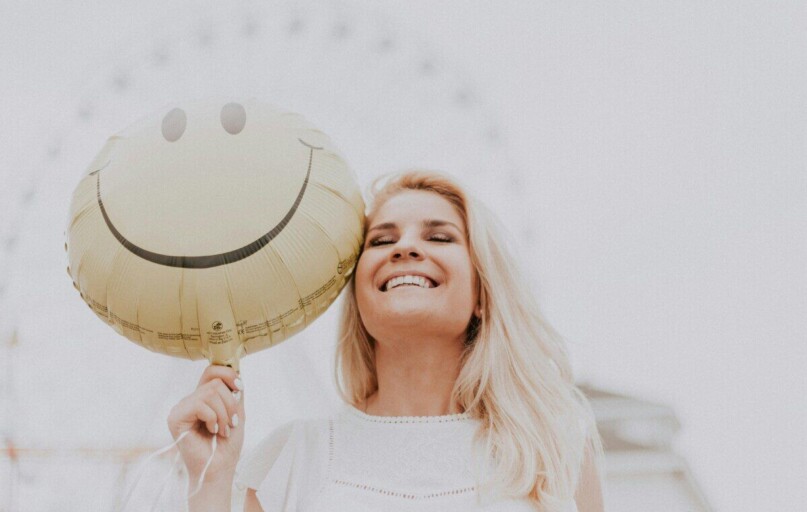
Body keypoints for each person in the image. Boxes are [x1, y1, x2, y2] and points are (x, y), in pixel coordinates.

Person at [167, 170, 605, 511]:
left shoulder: (551, 448)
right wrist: (209, 480)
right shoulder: (295, 459)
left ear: (482, 297)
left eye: (439, 237)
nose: (406, 248)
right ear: (357, 296)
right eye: (382, 240)